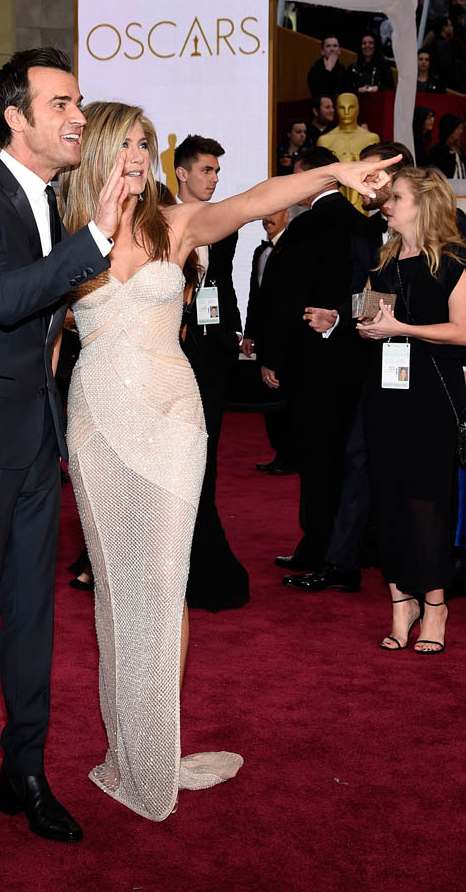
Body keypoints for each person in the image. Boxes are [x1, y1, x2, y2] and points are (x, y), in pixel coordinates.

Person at [59, 100, 398, 822]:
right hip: (96, 419)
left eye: (146, 144)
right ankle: (129, 747)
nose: (139, 156)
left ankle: (157, 749)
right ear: (99, 150)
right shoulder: (68, 232)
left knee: (166, 579)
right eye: (127, 144)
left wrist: (335, 174)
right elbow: (40, 328)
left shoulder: (173, 225)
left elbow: (254, 200)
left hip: (172, 418)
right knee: (116, 587)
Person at [0, 47, 126, 862]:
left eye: (79, 102)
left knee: (35, 618)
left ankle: (25, 773)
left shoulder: (56, 199)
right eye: (62, 104)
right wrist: (98, 234)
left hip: (38, 437)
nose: (79, 117)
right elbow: (6, 300)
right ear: (16, 117)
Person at [285, 141, 413, 591]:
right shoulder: (367, 230)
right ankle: (343, 564)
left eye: (374, 176)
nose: (365, 184)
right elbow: (370, 293)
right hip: (380, 362)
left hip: (433, 361)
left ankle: (425, 564)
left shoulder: (448, 227)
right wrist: (340, 316)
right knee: (358, 456)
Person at [358, 167, 466, 653]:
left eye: (397, 197)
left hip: (433, 392)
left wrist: (402, 328)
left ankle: (436, 605)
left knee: (427, 500)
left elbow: (462, 331)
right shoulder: (383, 260)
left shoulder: (453, 261)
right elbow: (371, 315)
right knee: (388, 497)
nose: (387, 204)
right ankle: (401, 602)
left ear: (425, 203)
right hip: (386, 392)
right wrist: (366, 325)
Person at [258, 147, 369, 579]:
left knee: (317, 458)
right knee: (347, 458)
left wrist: (272, 356)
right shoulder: (361, 223)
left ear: (312, 177)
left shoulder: (306, 227)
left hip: (311, 363)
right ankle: (343, 549)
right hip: (357, 358)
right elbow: (368, 294)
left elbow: (285, 298)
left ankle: (318, 550)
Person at [173, 134, 249, 611]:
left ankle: (201, 560)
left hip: (213, 355)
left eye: (217, 171)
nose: (214, 178)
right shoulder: (157, 219)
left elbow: (223, 285)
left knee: (205, 455)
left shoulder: (225, 225)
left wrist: (237, 331)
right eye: (206, 170)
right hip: (169, 349)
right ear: (182, 173)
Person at [242, 209, 296, 475]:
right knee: (269, 397)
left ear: (287, 215)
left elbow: (284, 306)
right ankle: (281, 454)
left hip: (285, 339)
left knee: (283, 396)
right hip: (264, 336)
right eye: (265, 214)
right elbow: (256, 296)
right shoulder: (259, 252)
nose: (268, 219)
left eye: (275, 213)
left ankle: (290, 456)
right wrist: (249, 333)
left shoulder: (293, 251)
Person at [429, 113, 466, 179]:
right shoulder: (438, 150)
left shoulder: (460, 149)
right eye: (457, 128)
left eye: (461, 128)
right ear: (449, 128)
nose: (460, 131)